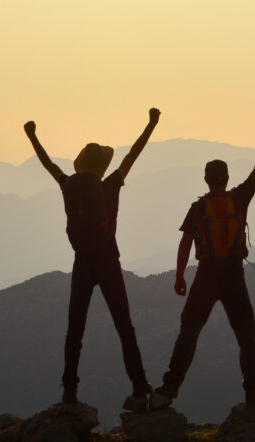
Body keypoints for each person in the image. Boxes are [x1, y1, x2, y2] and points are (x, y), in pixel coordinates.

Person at [23, 108, 160, 411]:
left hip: (82, 262)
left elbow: (47, 163)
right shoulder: (110, 184)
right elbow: (133, 154)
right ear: (101, 166)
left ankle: (69, 391)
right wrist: (151, 124)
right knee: (125, 327)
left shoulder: (67, 184)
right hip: (108, 261)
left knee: (76, 329)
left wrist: (32, 135)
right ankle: (139, 387)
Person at [151, 122, 255, 409]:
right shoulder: (240, 198)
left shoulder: (198, 207)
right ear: (227, 178)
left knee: (189, 331)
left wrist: (180, 276)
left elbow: (185, 243)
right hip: (234, 274)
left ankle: (169, 388)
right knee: (246, 333)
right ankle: (253, 387)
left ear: (206, 180)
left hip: (206, 276)